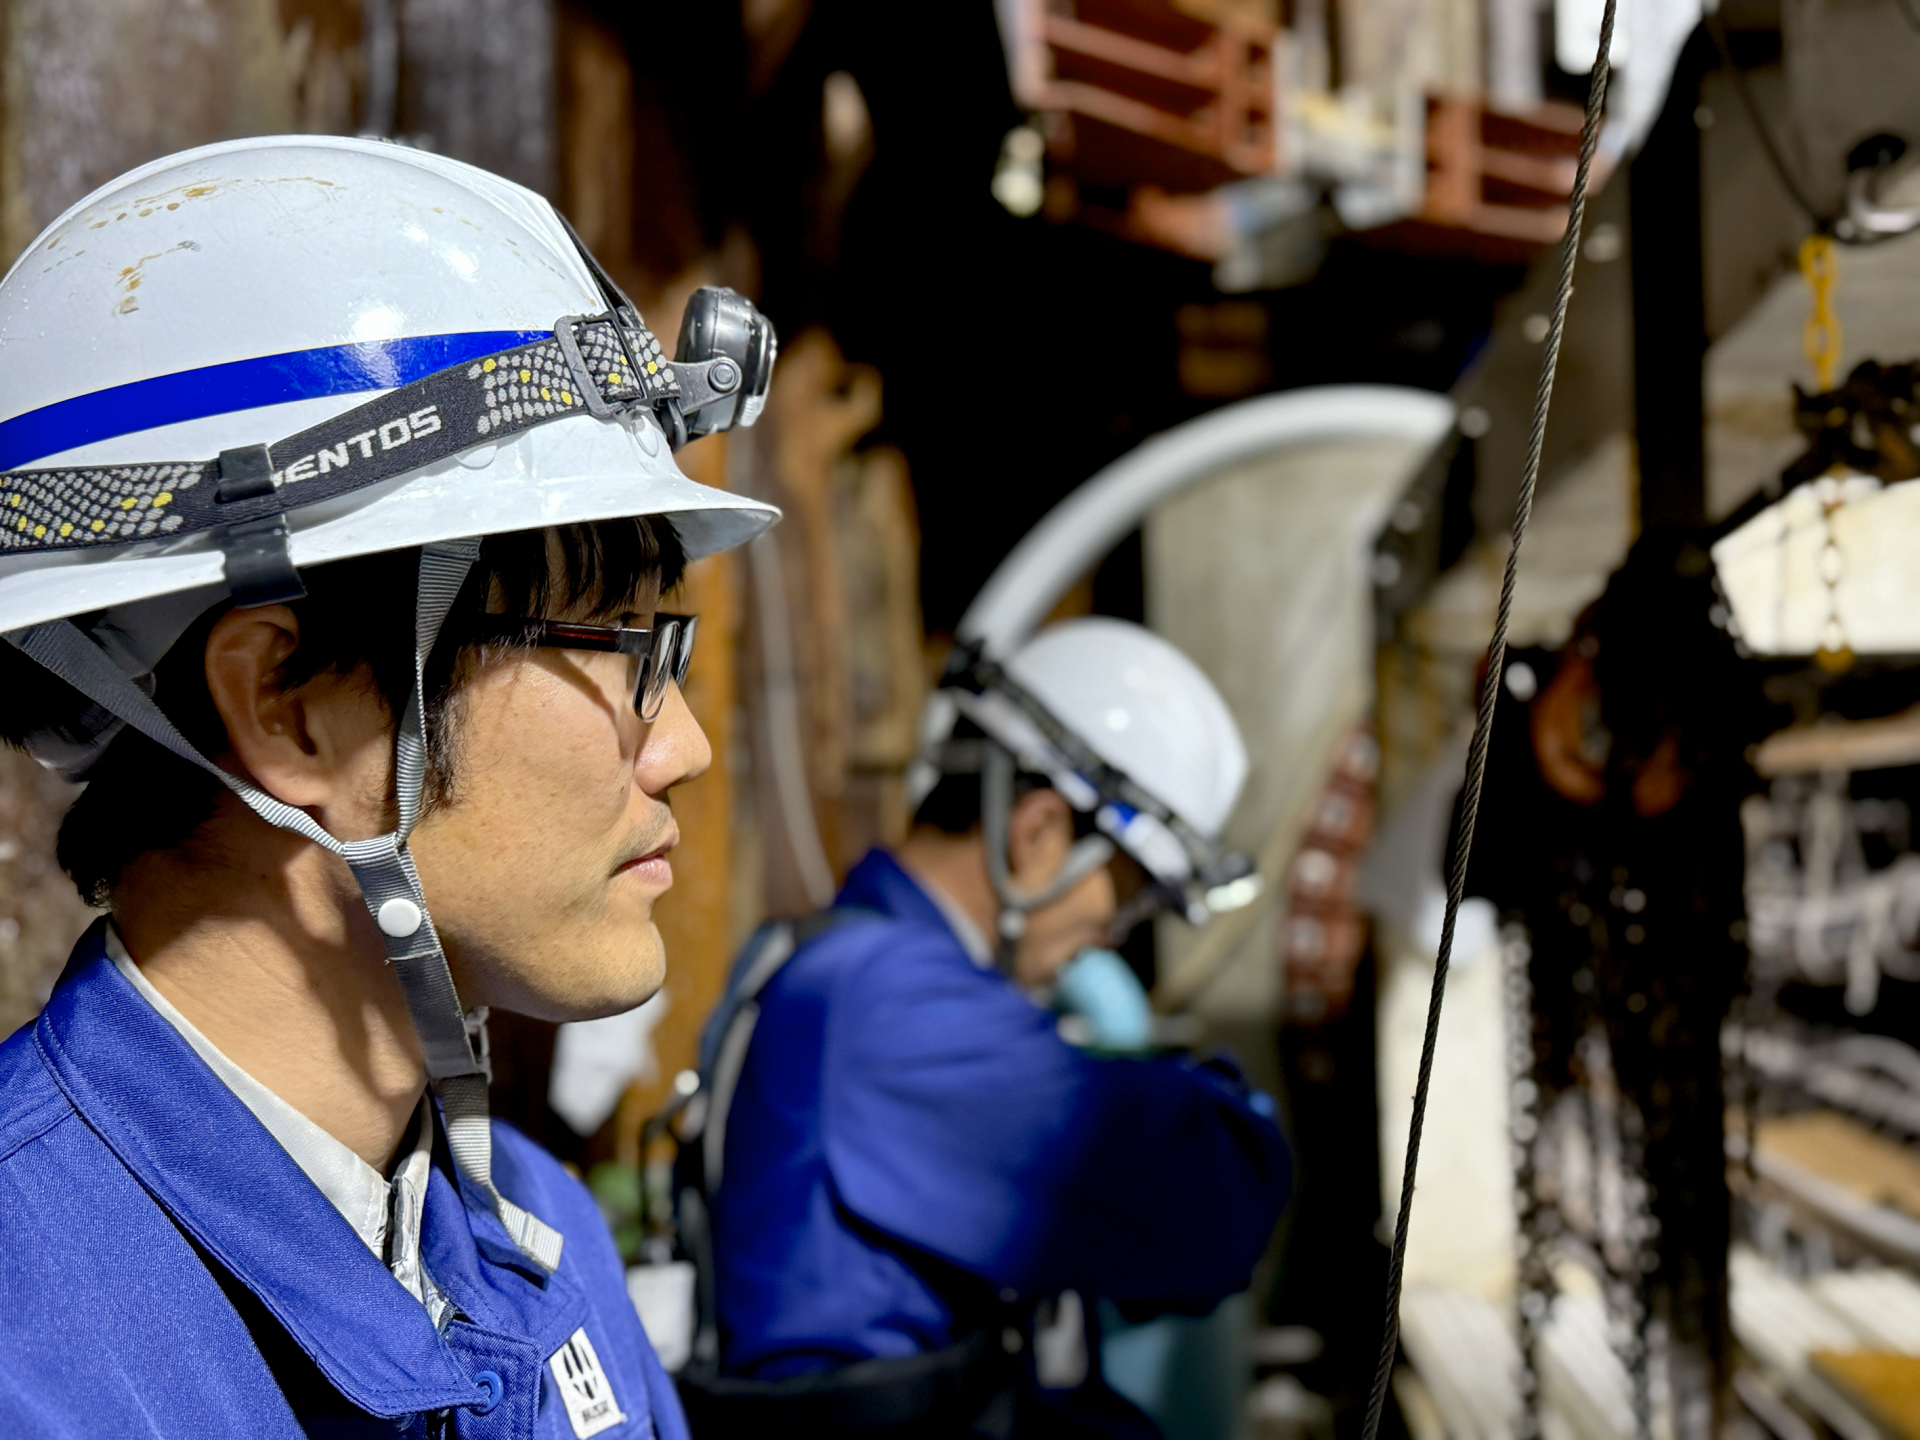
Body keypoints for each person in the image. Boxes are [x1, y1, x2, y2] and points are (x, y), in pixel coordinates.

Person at [0, 136, 779, 1437]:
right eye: (615, 644)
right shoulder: (34, 1358)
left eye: (671, 645)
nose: (683, 749)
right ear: (288, 705)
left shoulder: (543, 1244)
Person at [678, 618, 1292, 1437]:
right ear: (1038, 836)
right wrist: (1241, 1114)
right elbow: (1212, 1198)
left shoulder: (847, 967)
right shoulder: (889, 1006)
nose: (1114, 936)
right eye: (1129, 895)